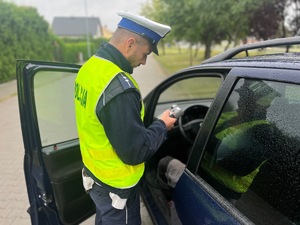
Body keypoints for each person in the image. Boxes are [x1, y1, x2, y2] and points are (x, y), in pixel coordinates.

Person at [74, 11, 177, 225]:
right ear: (130, 43)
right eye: (145, 53)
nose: (145, 62)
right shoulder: (119, 87)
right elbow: (136, 151)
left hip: (97, 177)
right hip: (118, 189)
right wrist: (162, 125)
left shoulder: (90, 68)